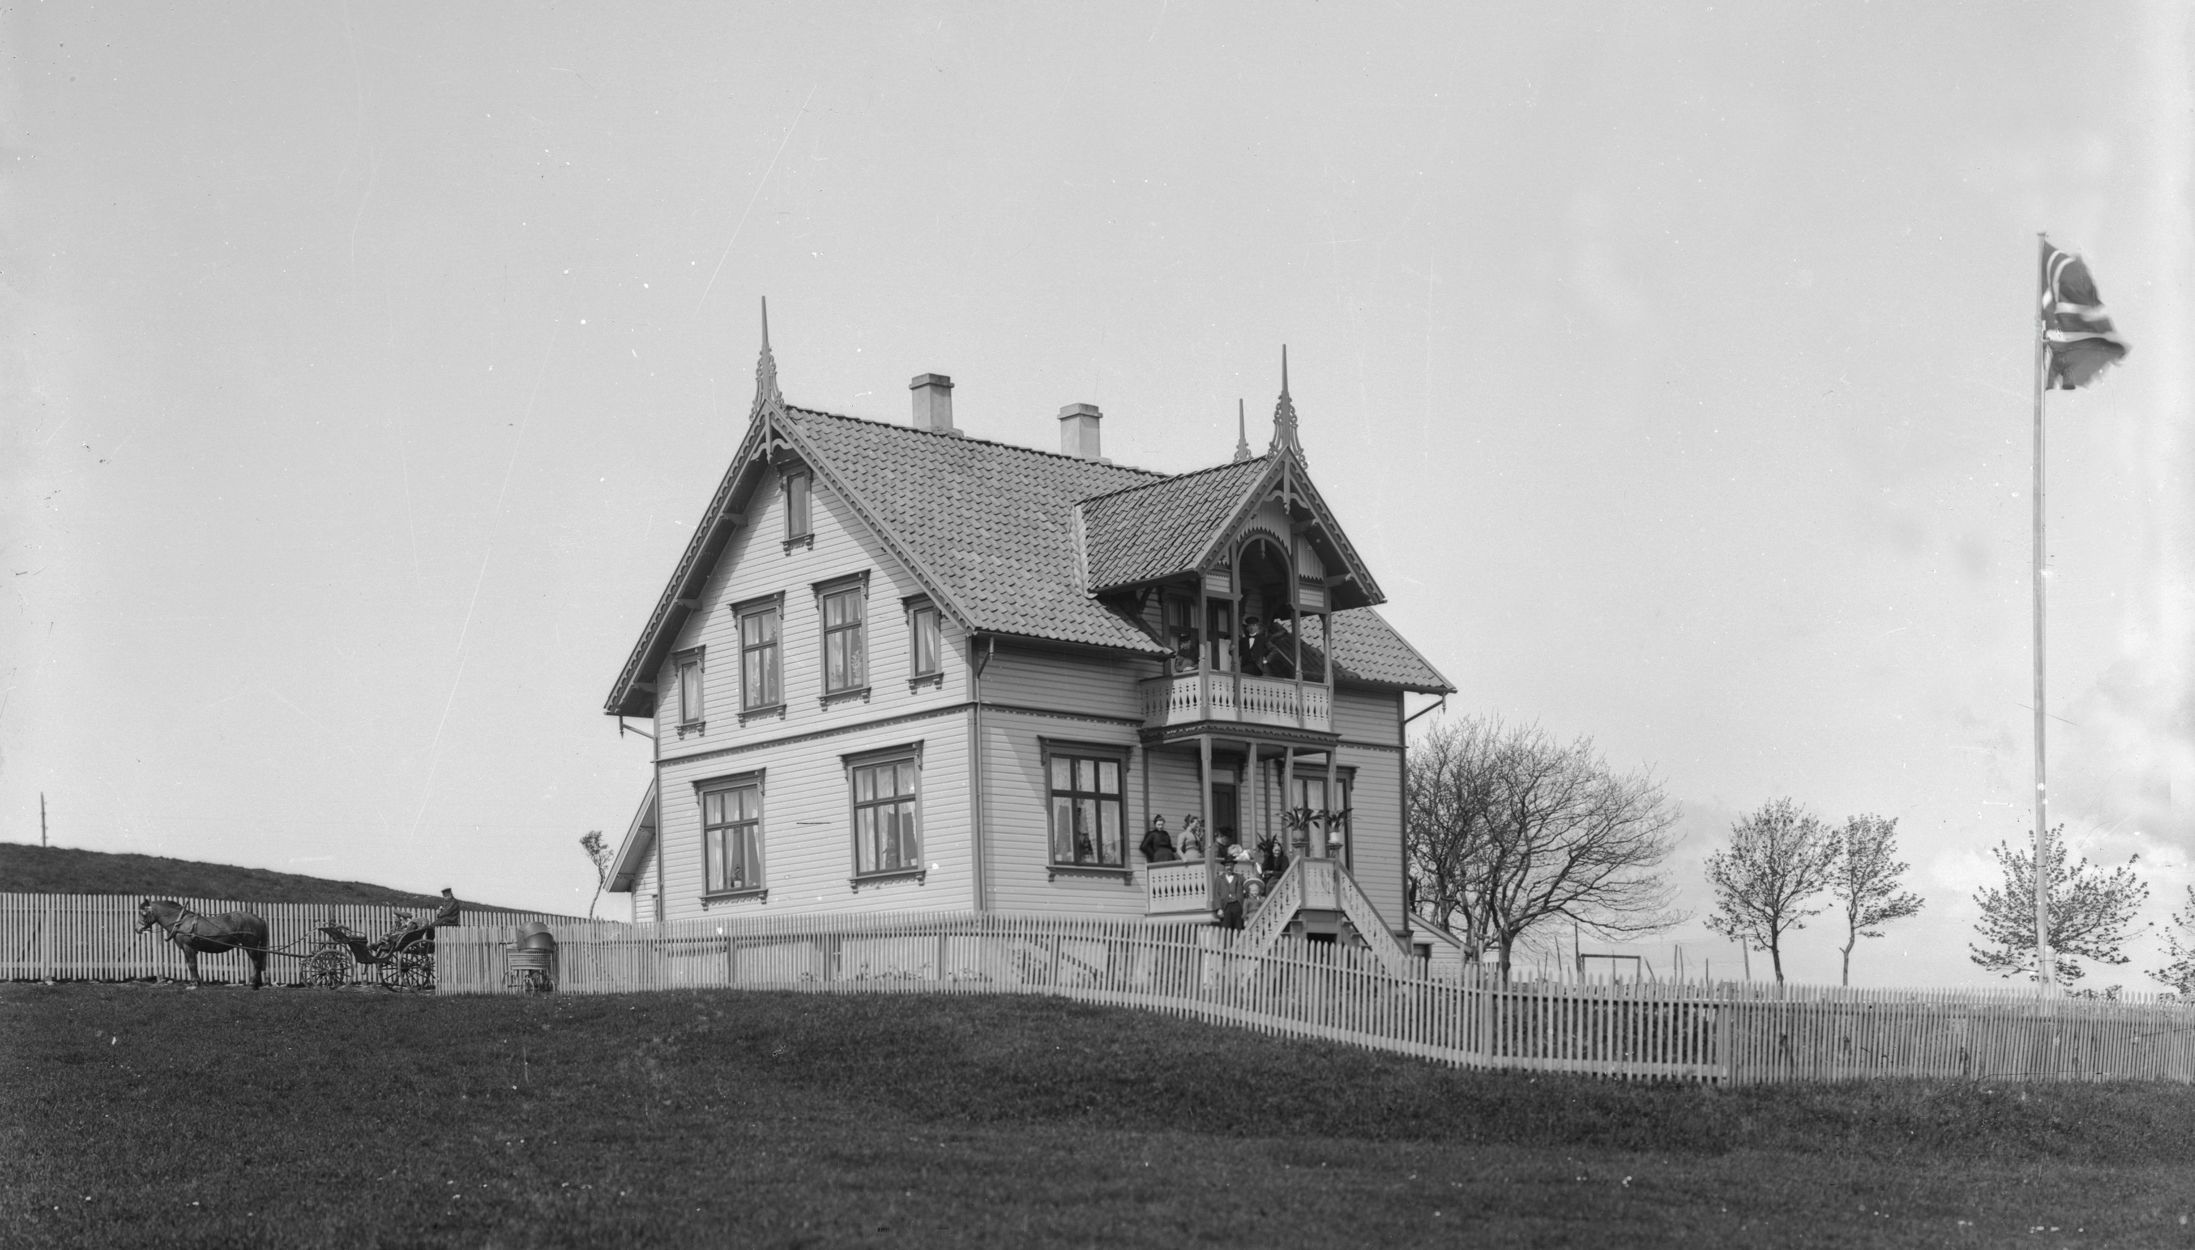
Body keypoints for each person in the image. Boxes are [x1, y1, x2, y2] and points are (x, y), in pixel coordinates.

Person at [1213, 859, 1246, 930]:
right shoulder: (1219, 879)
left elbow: (1247, 889)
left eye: (1231, 865)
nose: (1229, 867)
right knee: (1226, 928)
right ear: (1224, 867)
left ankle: (1238, 941)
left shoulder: (1240, 877)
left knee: (1239, 927)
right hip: (1225, 906)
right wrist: (1218, 909)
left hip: (1237, 904)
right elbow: (1216, 895)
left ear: (1233, 866)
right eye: (1227, 865)